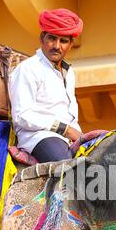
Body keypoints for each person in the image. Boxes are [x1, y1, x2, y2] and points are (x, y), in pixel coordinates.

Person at [8, 8, 83, 163]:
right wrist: (65, 129)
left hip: (71, 138)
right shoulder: (28, 69)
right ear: (42, 38)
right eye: (52, 38)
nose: (56, 46)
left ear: (70, 44)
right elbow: (22, 116)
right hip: (39, 136)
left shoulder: (69, 72)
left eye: (63, 41)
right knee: (68, 170)